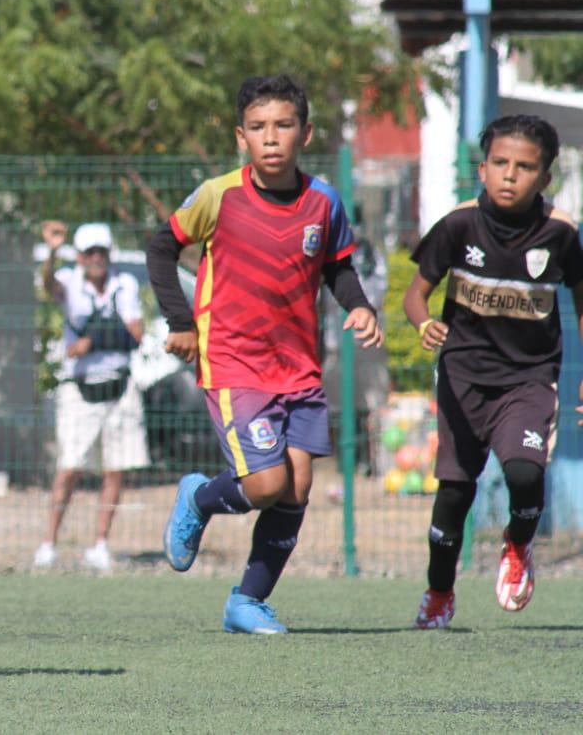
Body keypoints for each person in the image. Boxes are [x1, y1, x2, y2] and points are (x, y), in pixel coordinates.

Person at [148, 74, 381, 634]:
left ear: (306, 133)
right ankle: (200, 498)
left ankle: (246, 602)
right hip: (234, 363)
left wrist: (360, 306)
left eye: (283, 125)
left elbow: (338, 267)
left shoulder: (324, 201)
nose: (271, 137)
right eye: (257, 127)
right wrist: (181, 323)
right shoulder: (218, 196)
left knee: (296, 489)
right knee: (265, 486)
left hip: (298, 367)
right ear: (241, 137)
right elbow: (161, 248)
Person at [406, 115, 583, 629]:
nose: (510, 174)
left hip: (529, 379)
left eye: (524, 167)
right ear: (482, 169)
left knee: (525, 474)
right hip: (462, 378)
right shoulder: (458, 225)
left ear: (544, 177)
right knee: (454, 493)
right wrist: (423, 324)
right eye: (500, 163)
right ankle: (439, 592)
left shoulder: (560, 232)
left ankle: (518, 542)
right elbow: (416, 294)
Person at [33, 220, 147, 573]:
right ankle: (49, 543)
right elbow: (48, 285)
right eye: (89, 252)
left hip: (119, 386)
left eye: (101, 251)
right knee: (69, 467)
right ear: (80, 257)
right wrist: (52, 252)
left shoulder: (125, 284)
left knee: (115, 468)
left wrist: (93, 340)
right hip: (80, 388)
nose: (96, 258)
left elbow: (136, 334)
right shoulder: (69, 281)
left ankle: (100, 544)